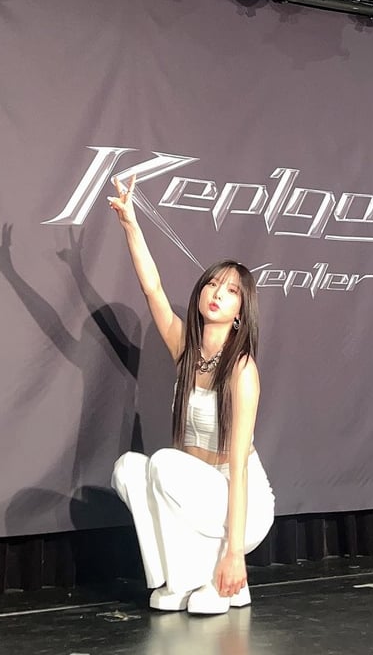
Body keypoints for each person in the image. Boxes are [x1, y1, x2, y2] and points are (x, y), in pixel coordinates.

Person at [109, 173, 275, 615]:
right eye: (212, 284)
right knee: (129, 470)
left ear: (241, 312)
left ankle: (227, 579)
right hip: (196, 493)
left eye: (231, 291)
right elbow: (152, 289)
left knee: (164, 463)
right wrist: (130, 223)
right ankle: (179, 580)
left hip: (240, 505)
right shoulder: (186, 348)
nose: (217, 293)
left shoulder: (241, 370)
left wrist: (236, 553)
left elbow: (238, 468)